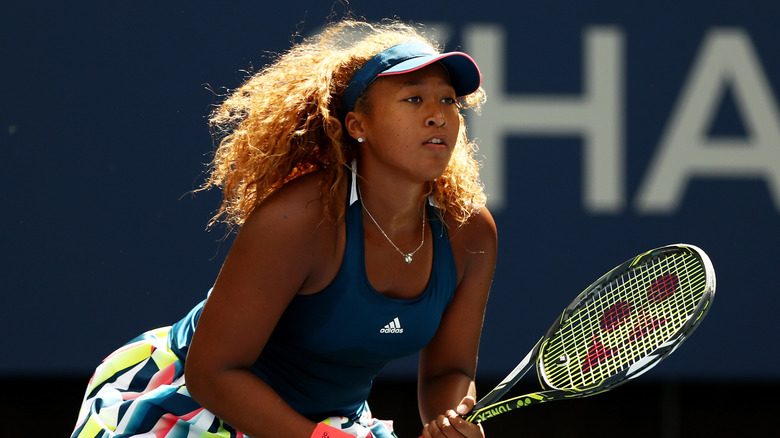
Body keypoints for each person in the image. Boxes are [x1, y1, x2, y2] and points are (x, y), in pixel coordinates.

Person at [71, 18, 496, 438]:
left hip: (328, 422)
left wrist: (448, 423)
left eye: (447, 101)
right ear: (357, 126)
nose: (438, 116)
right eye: (413, 100)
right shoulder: (301, 218)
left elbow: (449, 370)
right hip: (200, 404)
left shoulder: (470, 231)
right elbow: (213, 373)